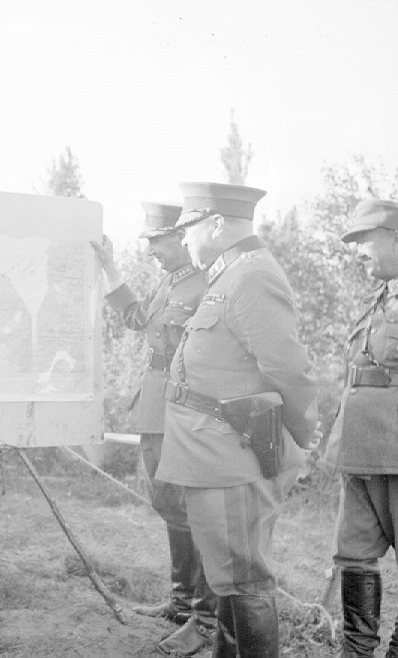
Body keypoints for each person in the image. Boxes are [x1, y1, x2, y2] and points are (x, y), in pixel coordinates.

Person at [155, 182, 318, 657]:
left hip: (232, 455)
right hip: (212, 454)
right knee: (227, 576)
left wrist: (299, 437)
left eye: (189, 228)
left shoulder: (252, 276)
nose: (183, 239)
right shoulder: (228, 275)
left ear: (216, 224)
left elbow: (288, 369)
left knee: (244, 578)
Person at [91, 202, 217, 656]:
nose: (151, 252)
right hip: (157, 404)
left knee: (193, 506)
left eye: (157, 242)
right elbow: (138, 318)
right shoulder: (171, 281)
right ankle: (181, 604)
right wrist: (109, 267)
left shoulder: (208, 283)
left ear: (182, 237)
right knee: (167, 501)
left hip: (186, 405)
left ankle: (205, 617)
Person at [324, 198, 398, 658]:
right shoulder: (379, 299)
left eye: (364, 240)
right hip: (359, 449)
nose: (357, 252)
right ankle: (357, 651)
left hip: (395, 450)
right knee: (353, 552)